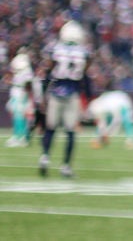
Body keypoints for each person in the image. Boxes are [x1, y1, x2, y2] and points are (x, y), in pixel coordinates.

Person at [38, 20, 92, 178]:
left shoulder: (54, 48)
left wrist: (43, 94)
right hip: (72, 91)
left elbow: (48, 72)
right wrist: (88, 97)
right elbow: (85, 76)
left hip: (56, 90)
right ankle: (66, 166)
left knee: (50, 128)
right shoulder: (84, 52)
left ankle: (45, 157)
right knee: (70, 131)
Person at [5, 51, 33, 147]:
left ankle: (20, 137)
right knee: (14, 113)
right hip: (16, 92)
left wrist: (24, 93)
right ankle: (19, 136)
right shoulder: (20, 71)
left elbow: (28, 83)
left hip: (20, 93)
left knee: (19, 116)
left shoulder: (26, 70)